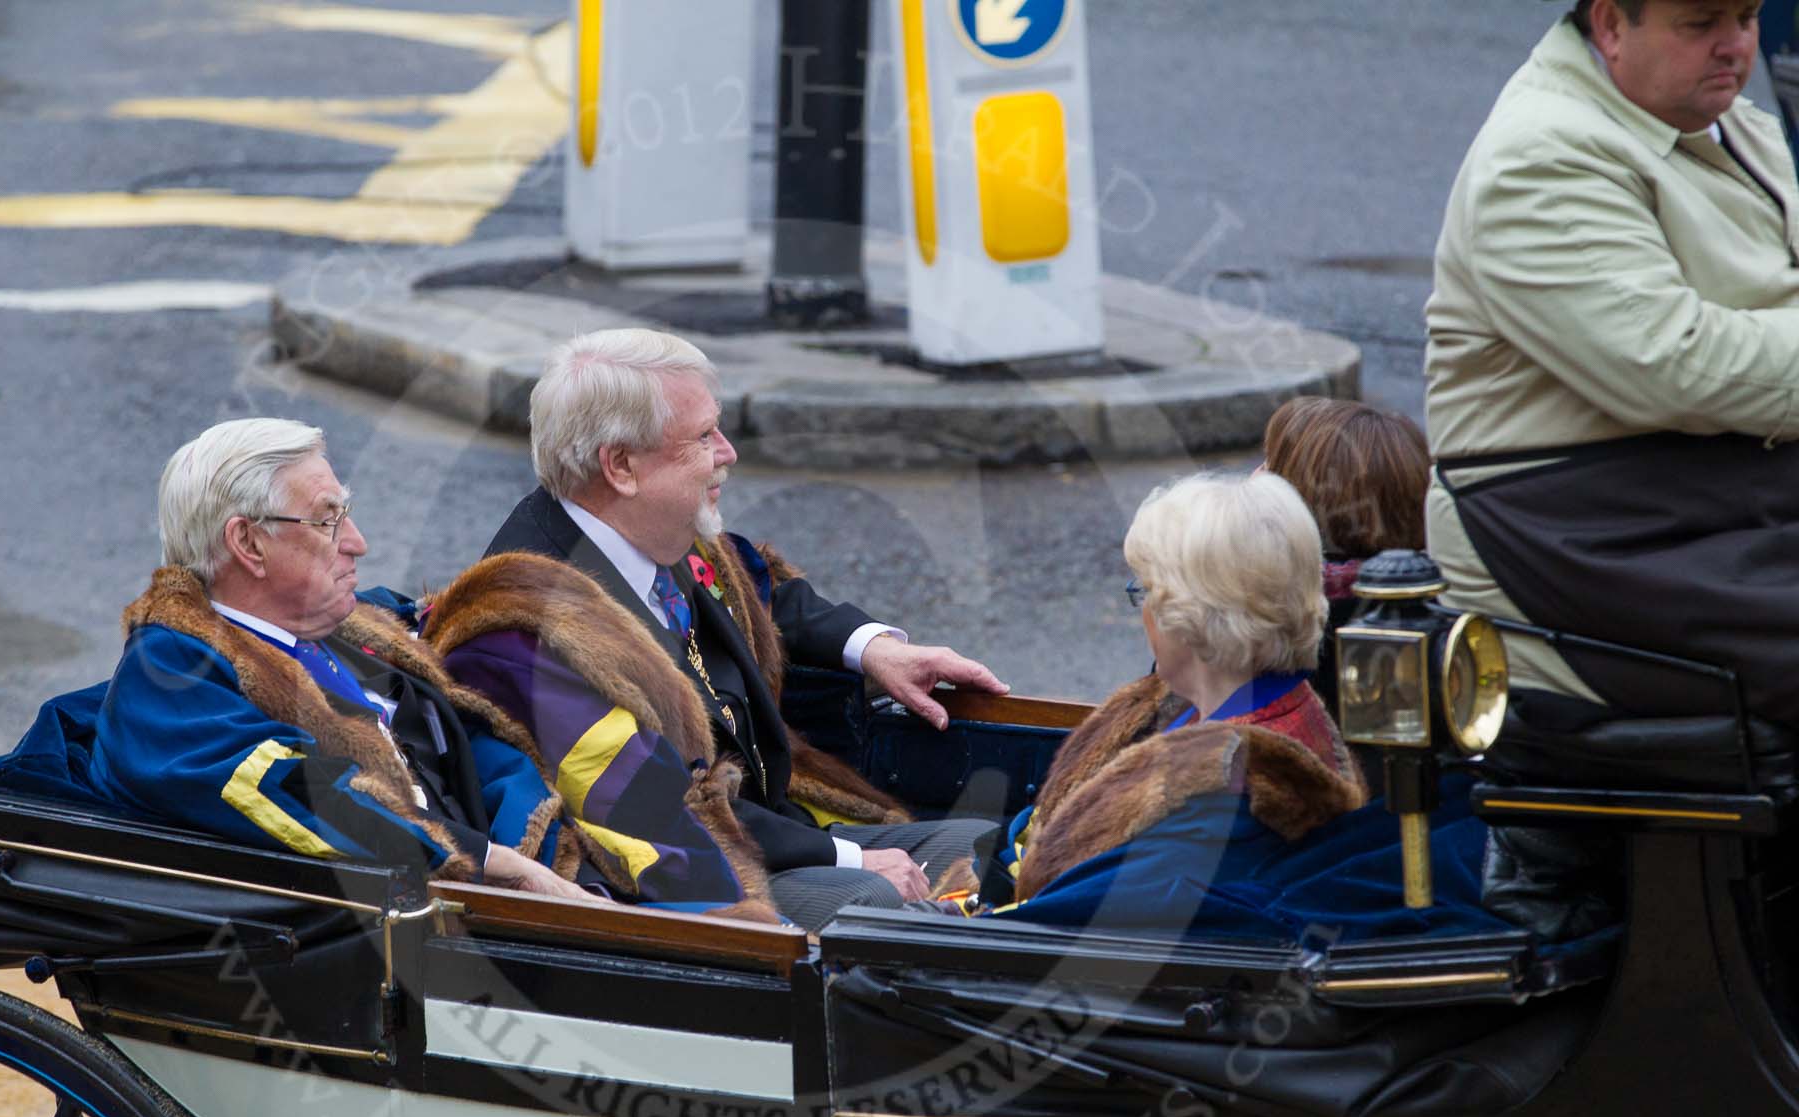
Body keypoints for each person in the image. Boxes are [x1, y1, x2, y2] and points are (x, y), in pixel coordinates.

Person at [475, 327, 1006, 926]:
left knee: (991, 846)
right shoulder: (528, 626)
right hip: (688, 885)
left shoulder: (647, 527)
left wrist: (874, 649)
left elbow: (760, 593)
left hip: (767, 830)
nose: (727, 452)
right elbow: (649, 809)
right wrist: (851, 855)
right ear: (621, 465)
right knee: (873, 908)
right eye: (703, 437)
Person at [1424, 0, 1799, 726]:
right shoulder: (1541, 152)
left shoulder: (1718, 121)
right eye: (1701, 24)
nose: (1734, 46)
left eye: (1748, 17)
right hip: (1579, 537)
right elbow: (1674, 362)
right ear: (1610, 25)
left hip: (1709, 496)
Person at [88, 418, 605, 903]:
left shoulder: (343, 627)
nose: (357, 543)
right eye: (327, 519)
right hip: (415, 936)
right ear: (248, 543)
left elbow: (467, 742)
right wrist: (498, 863)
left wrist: (547, 851)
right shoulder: (171, 678)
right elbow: (302, 798)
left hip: (509, 882)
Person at [991, 471, 1366, 924]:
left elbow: (1053, 921)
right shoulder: (1258, 712)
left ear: (1184, 618)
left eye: (1145, 592)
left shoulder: (1221, 797)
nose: (1143, 612)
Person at [1260, 396, 1431, 712]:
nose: (1257, 477)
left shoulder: (1267, 617)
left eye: (1271, 467)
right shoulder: (1434, 598)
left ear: (1298, 501)